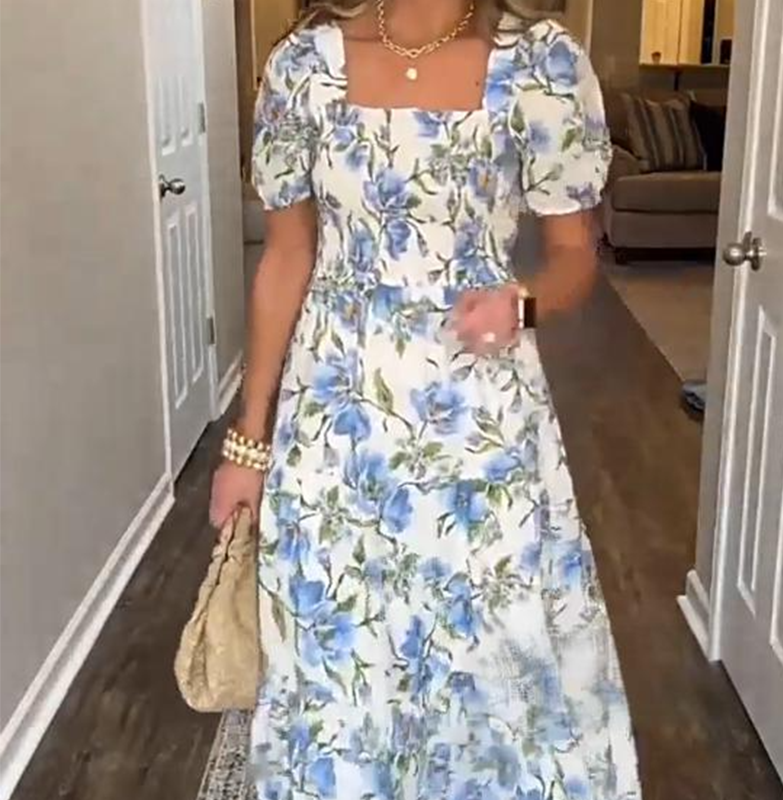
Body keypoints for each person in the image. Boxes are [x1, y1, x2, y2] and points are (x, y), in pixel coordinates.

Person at [210, 1, 642, 797]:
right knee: (335, 651)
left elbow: (575, 255)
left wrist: (522, 303)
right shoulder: (304, 64)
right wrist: (248, 441)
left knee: (492, 648)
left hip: (480, 421)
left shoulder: (540, 60)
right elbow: (285, 257)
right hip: (334, 423)